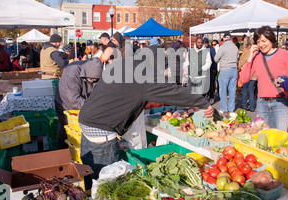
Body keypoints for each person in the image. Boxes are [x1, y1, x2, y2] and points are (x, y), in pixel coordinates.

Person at [78, 45, 215, 179]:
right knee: (106, 183)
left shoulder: (124, 64)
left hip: (86, 121)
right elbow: (171, 91)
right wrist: (202, 102)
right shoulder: (144, 73)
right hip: (102, 132)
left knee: (91, 179)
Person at [241, 26, 288, 131]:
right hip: (262, 103)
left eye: (263, 41)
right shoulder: (256, 57)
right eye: (258, 42)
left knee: (280, 137)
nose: (261, 44)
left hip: (281, 103)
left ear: (271, 39)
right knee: (264, 138)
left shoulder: (286, 55)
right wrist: (250, 58)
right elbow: (244, 79)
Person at [54, 58, 104, 149]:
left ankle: (82, 150)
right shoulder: (71, 73)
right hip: (66, 103)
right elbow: (73, 99)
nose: (94, 80)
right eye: (92, 79)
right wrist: (93, 108)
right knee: (66, 127)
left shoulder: (98, 74)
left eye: (97, 79)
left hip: (84, 100)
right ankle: (63, 151)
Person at [214, 31, 239, 117]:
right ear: (230, 38)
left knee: (223, 90)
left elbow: (216, 59)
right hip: (234, 69)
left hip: (225, 69)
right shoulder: (235, 47)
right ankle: (231, 109)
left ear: (224, 38)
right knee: (232, 90)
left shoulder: (222, 47)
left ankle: (224, 108)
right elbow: (237, 58)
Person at [238, 36, 257, 112]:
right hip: (254, 73)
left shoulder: (247, 51)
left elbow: (241, 62)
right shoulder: (256, 51)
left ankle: (244, 104)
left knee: (245, 90)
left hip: (247, 73)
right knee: (251, 90)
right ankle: (252, 107)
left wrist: (238, 66)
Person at [203, 38, 217, 104]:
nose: (205, 45)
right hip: (204, 69)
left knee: (210, 84)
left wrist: (214, 68)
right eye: (204, 43)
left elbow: (214, 60)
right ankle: (205, 96)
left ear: (208, 43)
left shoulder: (211, 50)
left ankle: (212, 97)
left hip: (211, 69)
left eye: (206, 43)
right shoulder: (202, 49)